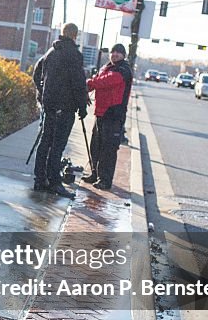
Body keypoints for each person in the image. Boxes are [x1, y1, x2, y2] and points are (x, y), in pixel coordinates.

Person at [31, 23, 89, 198]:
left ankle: (40, 180)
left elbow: (36, 73)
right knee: (57, 146)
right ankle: (55, 182)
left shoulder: (51, 52)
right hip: (65, 108)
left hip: (49, 106)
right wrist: (82, 106)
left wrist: (42, 92)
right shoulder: (74, 55)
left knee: (45, 143)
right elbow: (78, 83)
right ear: (75, 36)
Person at [84, 43, 133, 190]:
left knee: (108, 150)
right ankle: (94, 173)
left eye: (118, 52)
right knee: (95, 146)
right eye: (113, 52)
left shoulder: (123, 70)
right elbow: (99, 80)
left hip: (113, 115)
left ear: (124, 55)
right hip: (100, 113)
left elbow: (106, 81)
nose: (115, 54)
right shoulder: (106, 68)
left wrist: (88, 83)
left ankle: (105, 180)